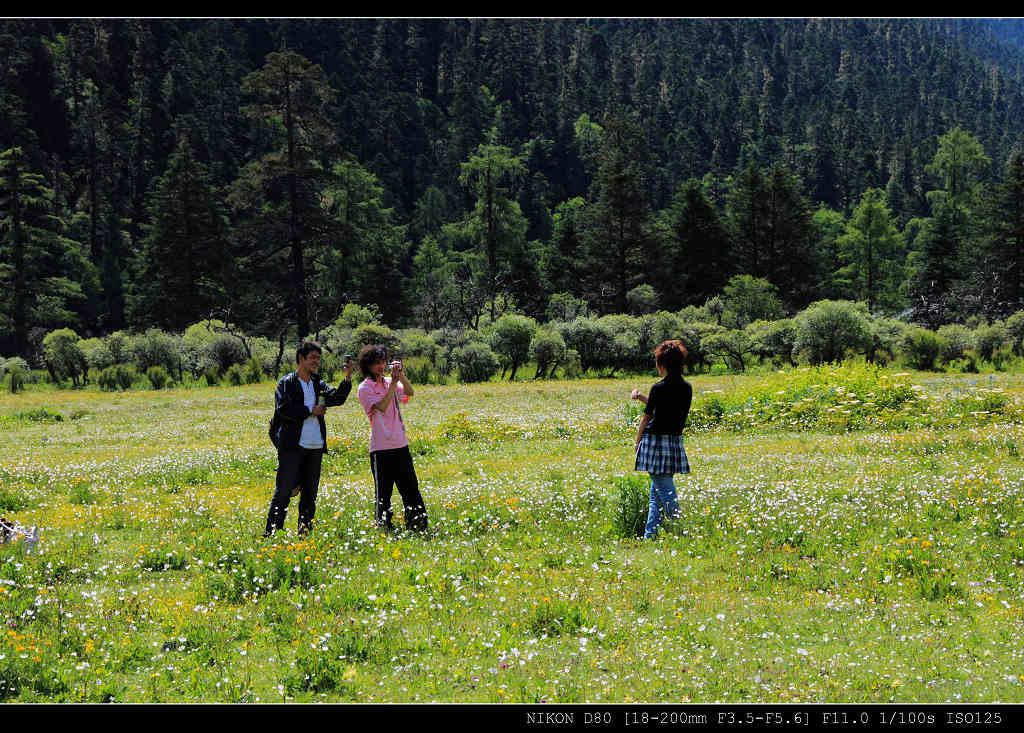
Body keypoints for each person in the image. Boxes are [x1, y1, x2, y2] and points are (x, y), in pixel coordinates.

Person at [264, 341, 354, 536]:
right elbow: (283, 409)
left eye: (318, 358)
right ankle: (272, 534)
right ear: (301, 358)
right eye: (312, 357)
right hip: (292, 445)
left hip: (315, 445)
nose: (316, 361)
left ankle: (305, 533)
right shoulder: (286, 382)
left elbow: (336, 398)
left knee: (310, 495)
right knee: (284, 491)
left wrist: (347, 378)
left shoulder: (317, 382)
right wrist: (310, 410)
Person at [356, 344, 428, 533]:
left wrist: (400, 376)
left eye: (383, 362)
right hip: (380, 448)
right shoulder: (365, 388)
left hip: (400, 444)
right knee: (383, 492)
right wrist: (394, 384)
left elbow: (410, 393)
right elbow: (381, 406)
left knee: (411, 488)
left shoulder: (389, 381)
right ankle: (385, 527)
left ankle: (418, 525)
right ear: (367, 366)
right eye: (376, 363)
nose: (381, 367)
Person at [630, 339, 693, 539]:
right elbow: (664, 407)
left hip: (654, 443)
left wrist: (637, 441)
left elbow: (647, 416)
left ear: (663, 364)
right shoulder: (687, 387)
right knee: (656, 494)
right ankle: (650, 536)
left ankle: (681, 532)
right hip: (673, 443)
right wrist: (641, 397)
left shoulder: (658, 387)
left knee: (664, 491)